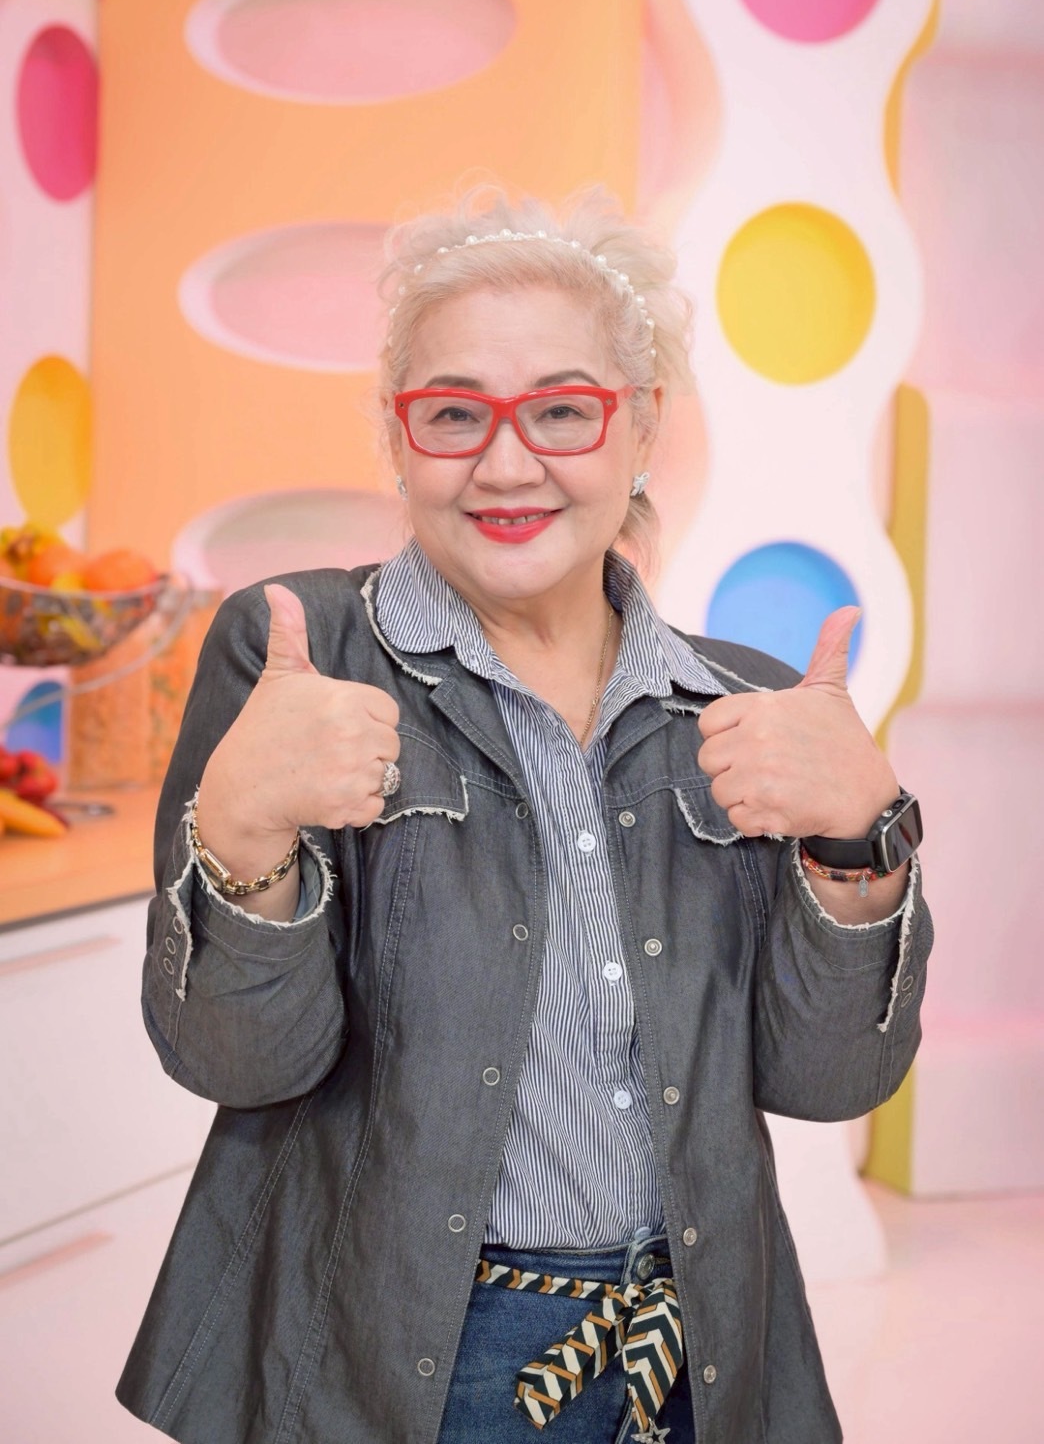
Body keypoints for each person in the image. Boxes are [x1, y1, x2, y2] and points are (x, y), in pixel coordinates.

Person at [117, 187, 931, 1444]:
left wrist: (857, 841)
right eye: (454, 414)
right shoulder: (300, 657)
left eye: (561, 409)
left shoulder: (750, 707)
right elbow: (238, 1063)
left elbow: (832, 1081)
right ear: (397, 437)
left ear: (640, 424)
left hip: (695, 1348)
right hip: (409, 1360)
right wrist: (241, 833)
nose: (506, 464)